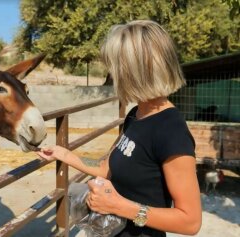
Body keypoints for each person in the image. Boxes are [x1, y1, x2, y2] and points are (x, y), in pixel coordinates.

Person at [37, 20, 202, 237]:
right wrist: (65, 154)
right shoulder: (136, 115)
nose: (113, 75)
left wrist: (118, 206)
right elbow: (106, 168)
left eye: (115, 66)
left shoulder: (171, 131)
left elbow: (190, 221)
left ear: (136, 71)